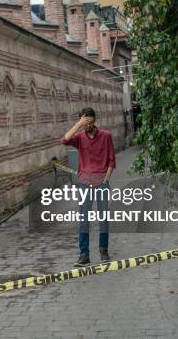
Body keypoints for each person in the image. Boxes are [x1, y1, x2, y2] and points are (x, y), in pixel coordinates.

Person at [61, 107, 116, 266]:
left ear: (95, 121)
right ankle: (84, 254)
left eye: (90, 122)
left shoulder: (106, 136)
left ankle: (103, 250)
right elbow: (64, 140)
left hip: (101, 183)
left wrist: (106, 179)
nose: (88, 126)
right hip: (84, 182)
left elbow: (112, 160)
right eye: (85, 123)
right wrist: (78, 124)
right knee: (84, 220)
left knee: (103, 218)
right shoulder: (79, 137)